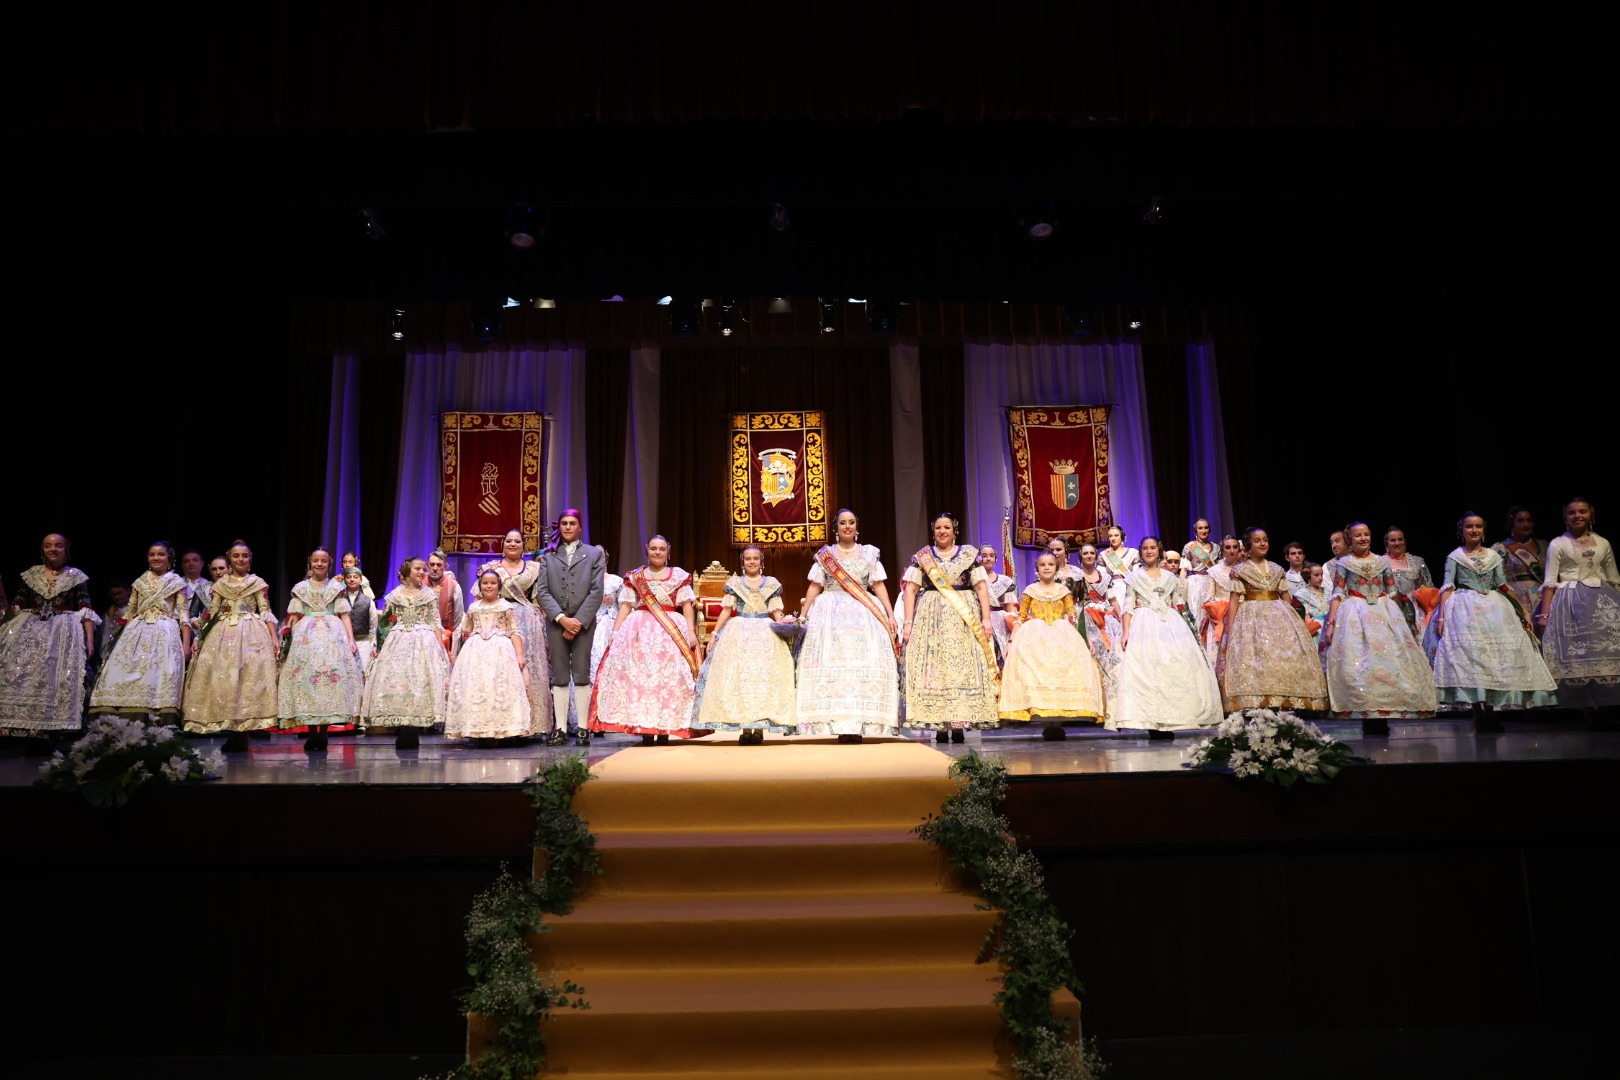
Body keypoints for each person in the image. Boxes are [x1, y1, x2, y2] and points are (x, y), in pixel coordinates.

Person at [1427, 512, 1557, 730]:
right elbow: (1448, 586)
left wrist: (1522, 609)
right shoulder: (1455, 556)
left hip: (1495, 608)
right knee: (1472, 658)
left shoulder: (1493, 556)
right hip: (1466, 609)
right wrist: (1442, 616)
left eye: (1478, 526)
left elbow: (1503, 585)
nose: (1474, 530)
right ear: (1461, 530)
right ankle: (1478, 712)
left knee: (1494, 659)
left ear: (1484, 530)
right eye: (1469, 526)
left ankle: (1491, 711)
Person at [796, 509, 901, 741]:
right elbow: (815, 585)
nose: (847, 527)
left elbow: (879, 585)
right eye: (843, 523)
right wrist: (803, 614)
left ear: (856, 526)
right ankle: (837, 723)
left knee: (865, 665)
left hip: (864, 613)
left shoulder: (869, 553)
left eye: (851, 522)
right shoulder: (825, 555)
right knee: (834, 667)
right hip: (830, 614)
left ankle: (862, 723)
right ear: (836, 527)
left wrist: (890, 613)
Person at [1323, 522, 1438, 733]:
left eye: (1366, 534)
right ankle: (1367, 712)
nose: (1363, 539)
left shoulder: (1382, 561)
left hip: (1383, 611)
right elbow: (1338, 593)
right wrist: (1331, 623)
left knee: (1387, 661)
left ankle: (1383, 713)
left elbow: (1392, 591)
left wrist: (1403, 619)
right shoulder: (1344, 563)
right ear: (1350, 538)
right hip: (1355, 614)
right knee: (1361, 662)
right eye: (1358, 536)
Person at [591, 535, 705, 744]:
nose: (657, 552)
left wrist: (690, 632)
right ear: (647, 550)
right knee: (641, 680)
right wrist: (615, 633)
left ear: (668, 551)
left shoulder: (678, 576)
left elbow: (687, 605)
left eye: (662, 549)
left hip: (670, 632)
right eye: (653, 548)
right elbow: (626, 605)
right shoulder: (636, 577)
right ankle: (645, 729)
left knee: (667, 680)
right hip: (639, 630)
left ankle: (664, 729)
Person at [1107, 537, 1223, 736]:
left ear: (1158, 550)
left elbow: (1179, 604)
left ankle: (1173, 719)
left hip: (1171, 624)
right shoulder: (1134, 577)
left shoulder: (1171, 578)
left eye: (1153, 548)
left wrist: (1191, 629)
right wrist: (1126, 632)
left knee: (1174, 665)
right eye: (1145, 548)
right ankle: (1151, 720)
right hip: (1143, 623)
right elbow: (1128, 605)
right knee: (1147, 669)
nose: (1149, 551)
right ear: (1141, 552)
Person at [900, 512, 999, 742]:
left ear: (954, 530)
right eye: (938, 528)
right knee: (936, 668)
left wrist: (986, 619)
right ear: (933, 531)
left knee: (963, 668)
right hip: (931, 619)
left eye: (946, 527)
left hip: (964, 617)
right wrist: (908, 623)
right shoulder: (922, 557)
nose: (942, 531)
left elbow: (981, 588)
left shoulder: (968, 555)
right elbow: (911, 590)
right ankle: (940, 725)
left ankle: (959, 723)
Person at [0, 534, 100, 745]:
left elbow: (85, 609)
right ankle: (14, 725)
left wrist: (90, 640)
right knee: (17, 670)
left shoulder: (76, 576)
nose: (52, 549)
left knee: (56, 673)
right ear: (42, 550)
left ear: (66, 550)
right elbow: (16, 604)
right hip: (29, 628)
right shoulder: (31, 574)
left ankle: (52, 727)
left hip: (63, 630)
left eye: (58, 546)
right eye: (48, 546)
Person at [693, 544, 799, 741]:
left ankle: (758, 729)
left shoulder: (771, 584)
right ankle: (745, 729)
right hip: (739, 631)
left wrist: (786, 625)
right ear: (743, 562)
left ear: (761, 561)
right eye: (748, 558)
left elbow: (776, 612)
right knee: (741, 679)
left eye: (755, 558)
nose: (752, 562)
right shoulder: (735, 583)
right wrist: (715, 633)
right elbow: (726, 610)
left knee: (763, 679)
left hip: (765, 633)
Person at [182, 539, 279, 748]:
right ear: (230, 559)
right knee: (225, 679)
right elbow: (212, 613)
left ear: (250, 559)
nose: (241, 559)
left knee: (247, 681)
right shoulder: (220, 585)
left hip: (251, 632)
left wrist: (273, 637)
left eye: (244, 556)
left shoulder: (257, 583)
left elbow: (265, 610)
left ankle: (242, 732)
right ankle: (232, 732)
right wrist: (200, 637)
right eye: (236, 556)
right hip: (223, 633)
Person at [1220, 528, 1329, 713]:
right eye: (1257, 541)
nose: (1263, 544)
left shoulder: (1277, 569)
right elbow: (1233, 602)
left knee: (1278, 660)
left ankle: (1281, 701)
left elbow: (1286, 598)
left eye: (1265, 540)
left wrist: (1296, 626)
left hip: (1278, 616)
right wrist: (1230, 631)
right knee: (1257, 659)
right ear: (1247, 546)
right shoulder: (1240, 571)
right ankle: (1259, 703)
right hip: (1252, 618)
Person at [998, 552, 1104, 739]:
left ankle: (1057, 721)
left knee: (1061, 673)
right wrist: (1011, 641)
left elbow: (1072, 617)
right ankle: (1047, 721)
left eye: (1050, 565)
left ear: (1056, 568)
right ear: (1037, 569)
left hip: (1061, 633)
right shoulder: (1030, 590)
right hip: (1035, 635)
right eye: (1043, 565)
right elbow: (1021, 617)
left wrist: (1085, 641)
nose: (1047, 568)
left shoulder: (1063, 591)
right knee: (1039, 673)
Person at [88, 541, 191, 723]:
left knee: (158, 673)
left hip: (164, 631)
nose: (156, 558)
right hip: (136, 631)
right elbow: (130, 612)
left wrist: (186, 644)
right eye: (152, 554)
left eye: (161, 554)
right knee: (127, 671)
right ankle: (121, 715)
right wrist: (117, 638)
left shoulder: (177, 583)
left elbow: (183, 614)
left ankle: (157, 716)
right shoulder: (139, 582)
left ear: (170, 558)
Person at [1537, 497, 1620, 713]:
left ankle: (1608, 707)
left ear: (1591, 514)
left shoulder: (1603, 542)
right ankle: (1588, 711)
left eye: (1582, 511)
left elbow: (1614, 578)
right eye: (1572, 512)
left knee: (1605, 653)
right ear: (1565, 516)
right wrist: (1544, 615)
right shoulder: (1558, 543)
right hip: (1570, 602)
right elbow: (1550, 580)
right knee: (1578, 654)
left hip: (1602, 601)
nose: (1578, 516)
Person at [278, 547, 362, 753]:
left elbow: (344, 614)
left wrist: (350, 639)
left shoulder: (336, 587)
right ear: (310, 562)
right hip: (306, 636)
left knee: (328, 681)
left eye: (323, 561)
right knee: (308, 681)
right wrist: (288, 636)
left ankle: (322, 732)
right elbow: (295, 615)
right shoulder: (301, 588)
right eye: (316, 560)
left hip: (332, 636)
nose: (319, 564)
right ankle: (311, 731)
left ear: (329, 563)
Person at [534, 509, 605, 746]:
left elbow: (596, 592)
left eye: (572, 523)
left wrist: (578, 621)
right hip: (557, 624)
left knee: (582, 673)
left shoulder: (593, 554)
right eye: (563, 523)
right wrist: (561, 619)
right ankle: (561, 729)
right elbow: (542, 592)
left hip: (583, 624)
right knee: (560, 674)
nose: (567, 527)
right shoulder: (549, 555)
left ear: (579, 527)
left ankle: (583, 728)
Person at [363, 557, 450, 748]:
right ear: (407, 573)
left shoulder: (429, 595)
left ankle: (413, 729)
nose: (422, 572)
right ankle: (403, 728)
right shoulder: (394, 595)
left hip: (423, 641)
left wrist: (439, 647)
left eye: (423, 569)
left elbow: (435, 621)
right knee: (399, 683)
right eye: (418, 569)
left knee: (418, 683)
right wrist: (379, 647)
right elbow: (385, 623)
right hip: (398, 640)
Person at [480, 530, 556, 738]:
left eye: (517, 541)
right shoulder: (490, 568)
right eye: (509, 541)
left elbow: (541, 598)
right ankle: (502, 723)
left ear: (524, 545)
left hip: (528, 622)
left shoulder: (534, 569)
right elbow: (480, 596)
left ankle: (535, 723)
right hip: (499, 620)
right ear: (502, 544)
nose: (513, 544)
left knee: (531, 669)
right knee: (502, 671)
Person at [446, 568, 533, 743]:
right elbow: (467, 630)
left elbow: (515, 631)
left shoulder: (506, 607)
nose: (489, 586)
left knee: (499, 687)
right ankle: (478, 729)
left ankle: (502, 730)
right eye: (485, 583)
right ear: (480, 586)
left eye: (493, 583)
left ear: (499, 586)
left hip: (501, 650)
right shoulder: (474, 607)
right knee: (477, 687)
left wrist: (520, 655)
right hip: (476, 651)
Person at [1074, 543, 1121, 708]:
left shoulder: (1105, 577)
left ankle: (1110, 698)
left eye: (1092, 553)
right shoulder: (1076, 576)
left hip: (1105, 619)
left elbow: (1113, 600)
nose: (1088, 556)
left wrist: (1120, 618)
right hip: (1084, 617)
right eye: (1085, 553)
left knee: (1110, 655)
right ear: (1080, 556)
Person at [1492, 507, 1548, 625]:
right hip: (1517, 596)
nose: (1526, 524)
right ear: (1512, 524)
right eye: (1521, 521)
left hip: (1542, 597)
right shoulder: (1501, 548)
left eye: (1529, 520)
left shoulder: (1544, 546)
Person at [1202, 535, 1246, 670]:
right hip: (1220, 618)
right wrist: (1218, 611)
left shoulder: (1246, 570)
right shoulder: (1214, 571)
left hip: (1243, 614)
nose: (1232, 550)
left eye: (1235, 547)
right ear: (1222, 550)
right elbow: (1209, 597)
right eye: (1228, 547)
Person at [1384, 526, 1435, 635]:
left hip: (1414, 612)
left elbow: (1429, 587)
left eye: (1400, 539)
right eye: (1393, 540)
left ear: (1405, 541)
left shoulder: (1417, 562)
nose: (1397, 543)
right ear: (1387, 543)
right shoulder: (1380, 563)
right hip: (1389, 610)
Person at [979, 544, 1019, 663]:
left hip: (1000, 622)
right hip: (980, 619)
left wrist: (1014, 627)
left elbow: (1011, 609)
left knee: (1000, 654)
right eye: (984, 556)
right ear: (979, 559)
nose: (988, 559)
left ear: (996, 559)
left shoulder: (1005, 581)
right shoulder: (973, 581)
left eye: (991, 556)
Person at [589, 551, 623, 685]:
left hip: (611, 622)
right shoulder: (583, 581)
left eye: (601, 556)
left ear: (606, 560)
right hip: (589, 622)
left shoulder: (616, 581)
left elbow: (625, 605)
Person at [426, 549, 465, 654]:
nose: (435, 568)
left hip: (445, 633)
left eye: (439, 565)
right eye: (432, 564)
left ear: (446, 567)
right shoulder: (420, 583)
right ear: (427, 565)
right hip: (422, 633)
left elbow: (458, 614)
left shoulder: (454, 586)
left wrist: (448, 632)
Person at [342, 566, 377, 676]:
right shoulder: (339, 600)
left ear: (360, 580)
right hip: (343, 643)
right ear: (345, 580)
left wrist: (373, 646)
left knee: (362, 674)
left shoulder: (368, 601)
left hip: (363, 644)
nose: (352, 579)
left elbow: (373, 625)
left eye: (355, 577)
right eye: (349, 577)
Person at [1296, 563, 1331, 662]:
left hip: (1331, 625)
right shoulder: (1302, 594)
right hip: (1316, 629)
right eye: (1316, 575)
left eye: (1321, 574)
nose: (1320, 578)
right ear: (1308, 576)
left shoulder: (1329, 592)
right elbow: (1304, 615)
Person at [179, 549, 212, 630]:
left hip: (202, 627)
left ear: (202, 563)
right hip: (180, 626)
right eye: (187, 561)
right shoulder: (176, 584)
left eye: (195, 560)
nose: (191, 563)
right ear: (182, 565)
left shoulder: (209, 585)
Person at [100, 583, 130, 658]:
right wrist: (104, 654)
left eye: (120, 593)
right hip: (117, 649)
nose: (117, 597)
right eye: (113, 595)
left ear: (128, 591)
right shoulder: (110, 612)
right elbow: (106, 634)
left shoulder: (137, 608)